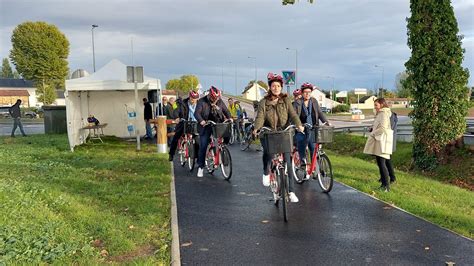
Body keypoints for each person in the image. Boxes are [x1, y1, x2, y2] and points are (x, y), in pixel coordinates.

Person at [253, 73, 304, 203]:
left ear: (281, 87)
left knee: (288, 160)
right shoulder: (264, 102)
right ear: (270, 87)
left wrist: (298, 125)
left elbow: (293, 114)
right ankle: (266, 172)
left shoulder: (286, 100)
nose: (276, 88)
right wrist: (257, 128)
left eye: (278, 86)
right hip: (269, 132)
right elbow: (260, 117)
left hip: (283, 133)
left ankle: (291, 191)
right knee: (268, 154)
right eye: (273, 86)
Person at [194, 86, 232, 177]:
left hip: (216, 124)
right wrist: (201, 120)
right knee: (203, 145)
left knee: (224, 138)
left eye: (217, 98)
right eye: (214, 98)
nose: (216, 99)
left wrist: (230, 118)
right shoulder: (202, 101)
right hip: (205, 125)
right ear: (210, 96)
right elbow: (197, 113)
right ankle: (201, 167)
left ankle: (221, 153)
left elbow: (226, 111)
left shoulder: (219, 101)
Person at [292, 83, 330, 169]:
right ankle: (302, 161)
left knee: (313, 147)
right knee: (301, 142)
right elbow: (294, 116)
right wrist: (298, 125)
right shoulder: (297, 103)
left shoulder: (313, 101)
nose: (307, 94)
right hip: (301, 128)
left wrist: (326, 122)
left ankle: (314, 168)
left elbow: (320, 113)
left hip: (313, 128)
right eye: (305, 92)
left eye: (309, 92)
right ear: (302, 93)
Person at [363, 98, 395, 192]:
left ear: (381, 105)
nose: (375, 107)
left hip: (382, 141)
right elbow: (378, 126)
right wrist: (373, 129)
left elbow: (383, 128)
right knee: (381, 164)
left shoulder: (384, 114)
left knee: (382, 164)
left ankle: (386, 186)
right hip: (379, 140)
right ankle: (383, 185)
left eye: (376, 105)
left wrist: (373, 133)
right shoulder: (381, 113)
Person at [168, 90, 200, 161]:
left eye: (195, 99)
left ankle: (197, 157)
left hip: (195, 124)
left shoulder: (199, 104)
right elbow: (176, 110)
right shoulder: (183, 103)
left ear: (197, 98)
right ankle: (171, 154)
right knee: (176, 137)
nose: (193, 100)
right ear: (189, 97)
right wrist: (177, 117)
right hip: (184, 123)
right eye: (191, 98)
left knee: (198, 140)